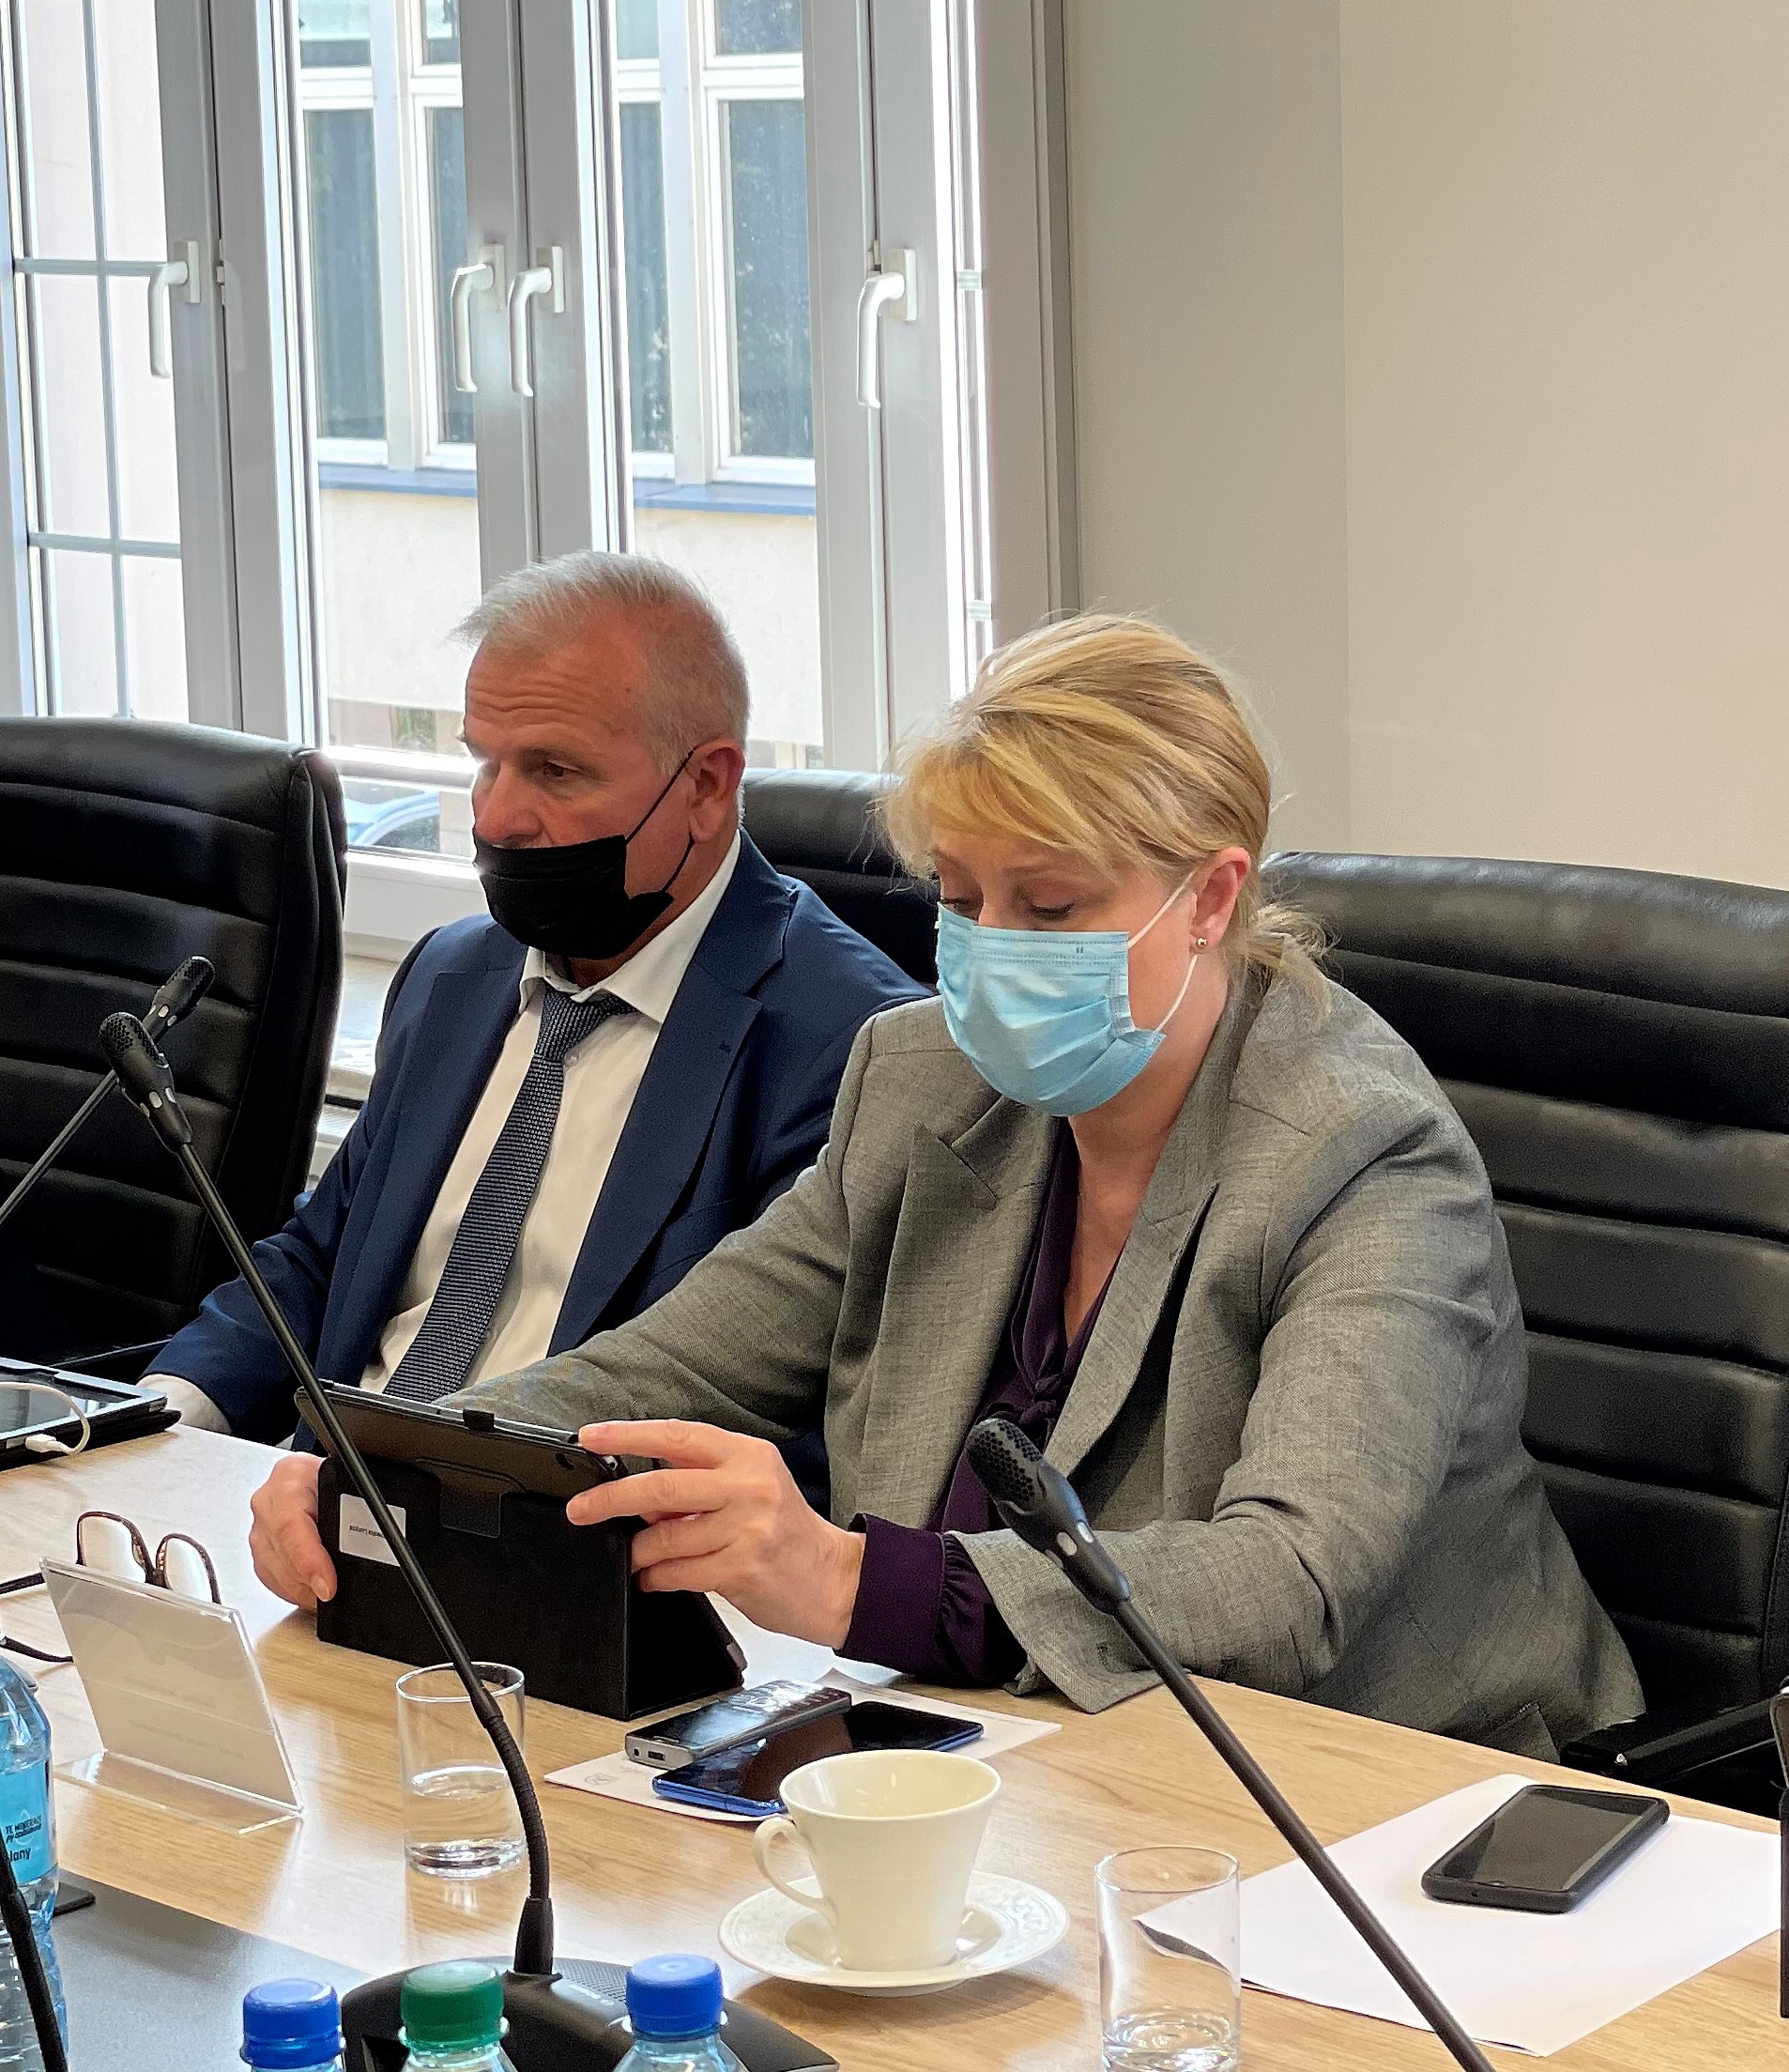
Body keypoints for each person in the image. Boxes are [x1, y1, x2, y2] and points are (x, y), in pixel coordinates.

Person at [247, 614, 1642, 1748]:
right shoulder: (920, 1079)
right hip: (1004, 1755)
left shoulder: (1358, 1150)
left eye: (1051, 904)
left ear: (1212, 898)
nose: (990, 947)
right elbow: (671, 1364)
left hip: (1380, 1791)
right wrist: (393, 1459)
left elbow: (1289, 1577)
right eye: (962, 900)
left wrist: (846, 1578)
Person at [154, 553, 923, 1444]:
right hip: (322, 1492)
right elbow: (321, 1259)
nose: (495, 819)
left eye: (554, 771)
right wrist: (160, 1415)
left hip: (567, 1512)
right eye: (486, 763)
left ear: (707, 786)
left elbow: (795, 1418)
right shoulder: (450, 974)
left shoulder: (854, 1047)